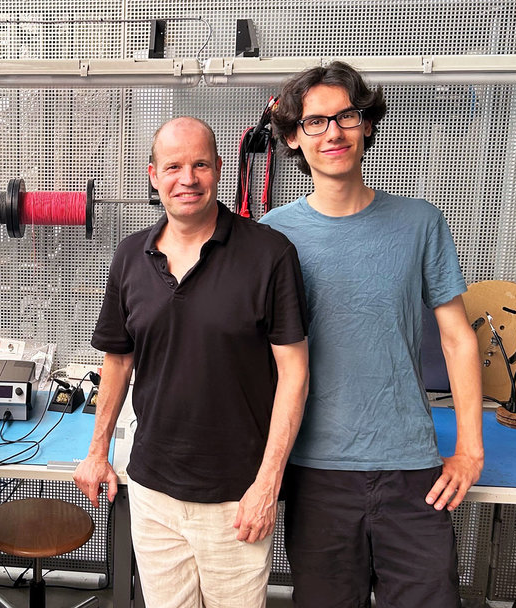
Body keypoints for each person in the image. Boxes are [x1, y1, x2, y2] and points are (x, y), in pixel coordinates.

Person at [260, 61, 484, 607]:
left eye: (346, 116)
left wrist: (469, 450)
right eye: (315, 122)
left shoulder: (420, 223)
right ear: (293, 137)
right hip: (316, 472)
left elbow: (458, 339)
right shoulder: (271, 237)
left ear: (365, 125)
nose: (333, 133)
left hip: (412, 470)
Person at [73, 116, 310, 607]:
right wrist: (97, 453)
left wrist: (268, 484)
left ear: (219, 169)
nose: (188, 178)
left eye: (200, 164)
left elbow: (295, 373)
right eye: (174, 166)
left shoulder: (269, 254)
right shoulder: (130, 256)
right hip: (153, 491)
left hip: (236, 498)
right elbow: (118, 361)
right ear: (153, 175)